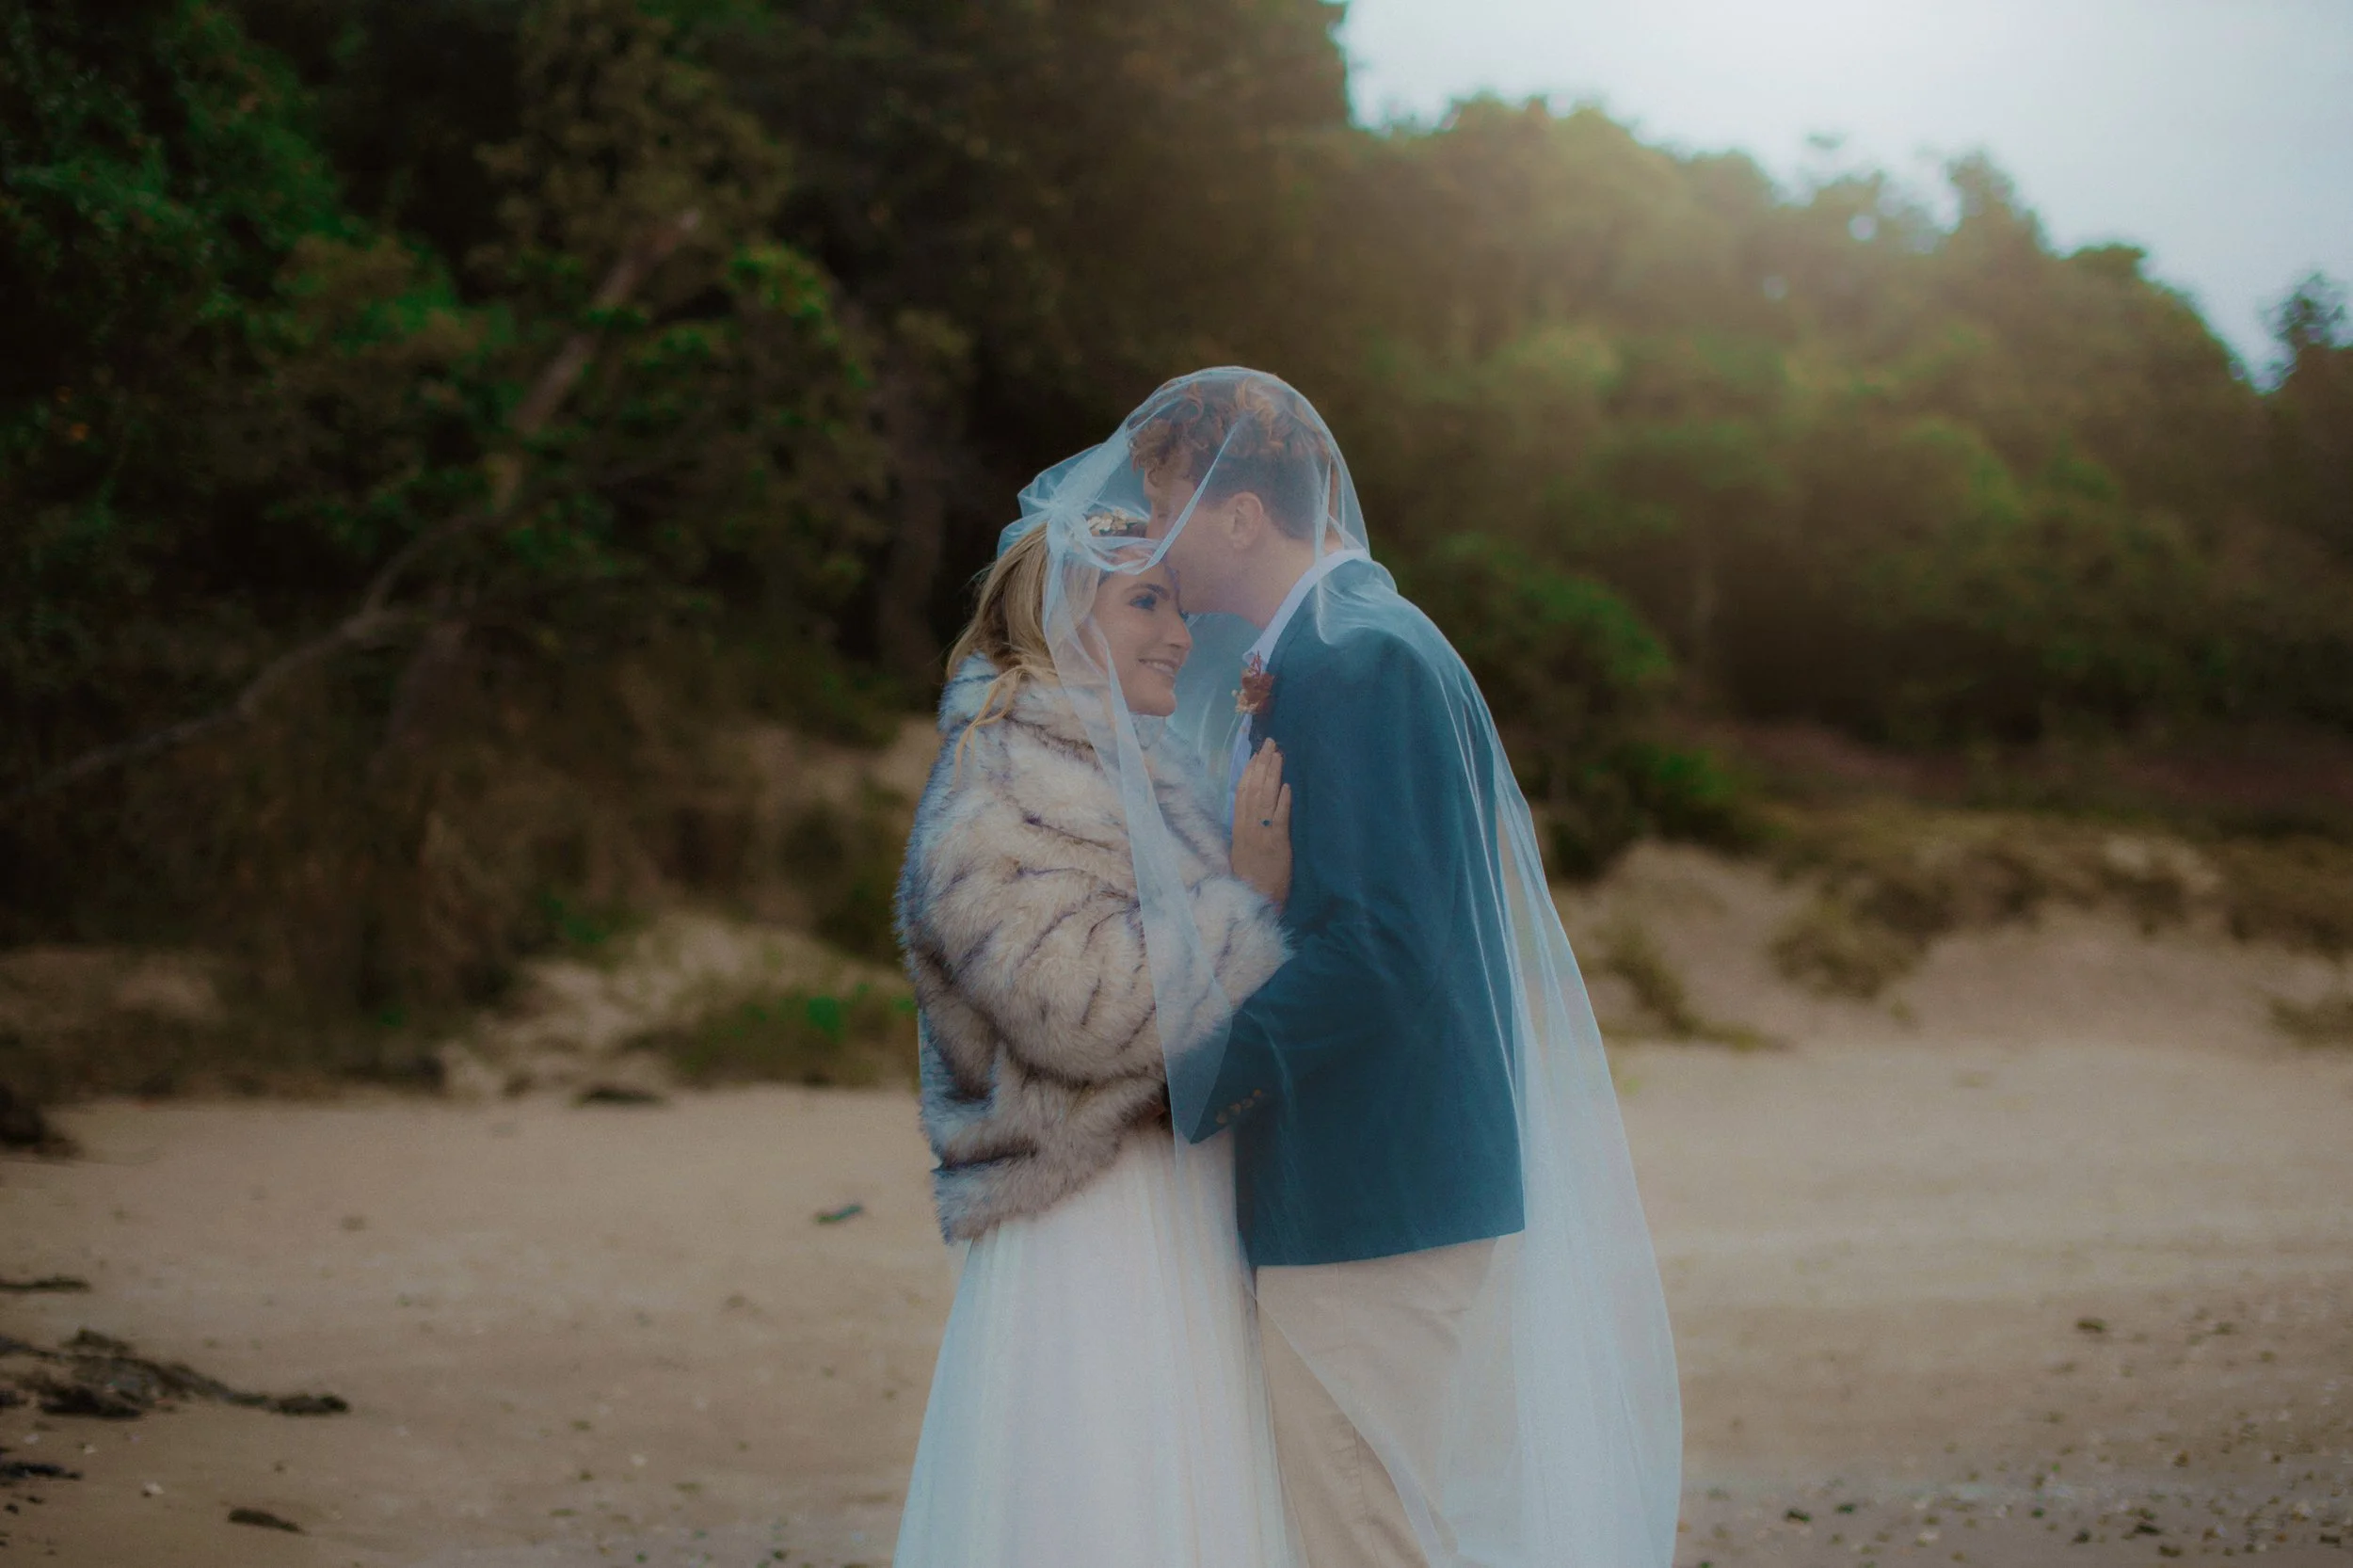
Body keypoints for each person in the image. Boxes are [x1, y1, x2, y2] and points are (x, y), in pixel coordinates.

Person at [1008, 367, 1683, 1568]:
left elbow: (1382, 950)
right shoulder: (1339, 642)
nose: (1153, 532)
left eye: (1167, 501)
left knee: (1361, 1534)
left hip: (1375, 1186)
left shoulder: (1352, 657)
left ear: (1240, 515)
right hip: (1387, 1175)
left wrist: (1187, 1078)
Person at [889, 518, 1305, 1568]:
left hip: (1173, 1186)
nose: (1179, 631)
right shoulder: (1001, 781)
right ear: (1061, 619)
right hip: (1085, 1214)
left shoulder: (1137, 766)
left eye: (1175, 601)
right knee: (1096, 1498)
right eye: (1145, 604)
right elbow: (1077, 1009)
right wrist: (1242, 899)